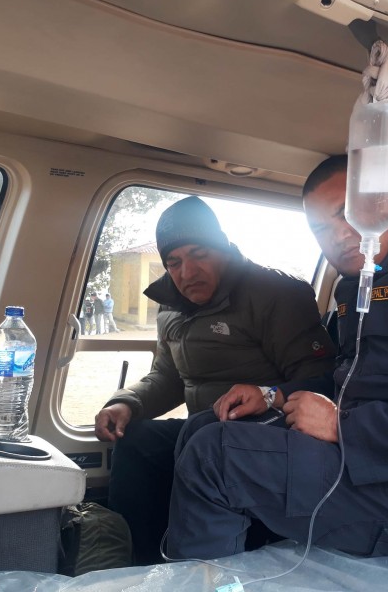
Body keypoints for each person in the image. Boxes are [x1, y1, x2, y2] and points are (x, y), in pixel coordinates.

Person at [166, 155, 388, 561]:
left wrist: (341, 425)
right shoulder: (355, 282)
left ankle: (203, 582)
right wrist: (273, 394)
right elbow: (349, 378)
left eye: (347, 215)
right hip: (367, 459)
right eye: (320, 228)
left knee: (215, 455)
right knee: (205, 426)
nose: (338, 236)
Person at [94, 195, 335, 565]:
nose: (187, 272)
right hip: (202, 430)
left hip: (267, 436)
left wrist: (267, 393)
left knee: (205, 438)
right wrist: (126, 402)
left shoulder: (275, 293)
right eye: (174, 262)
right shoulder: (170, 305)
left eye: (199, 254)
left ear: (223, 248)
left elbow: (321, 379)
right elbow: (167, 376)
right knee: (138, 441)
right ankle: (139, 565)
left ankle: (209, 567)